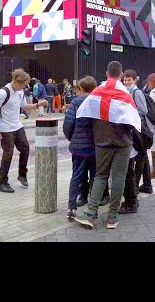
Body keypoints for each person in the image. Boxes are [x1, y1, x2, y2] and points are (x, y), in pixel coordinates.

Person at [73, 61, 141, 230]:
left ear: (106, 73)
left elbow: (83, 113)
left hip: (102, 141)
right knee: (119, 178)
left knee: (100, 176)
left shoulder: (97, 92)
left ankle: (90, 214)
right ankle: (112, 217)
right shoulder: (126, 95)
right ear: (121, 74)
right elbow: (134, 120)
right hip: (123, 142)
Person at [0, 69, 47, 193]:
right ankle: (2, 182)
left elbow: (24, 107)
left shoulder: (20, 91)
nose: (25, 87)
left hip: (17, 126)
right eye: (23, 84)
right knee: (8, 153)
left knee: (25, 148)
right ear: (15, 81)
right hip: (5, 128)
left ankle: (22, 174)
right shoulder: (3, 93)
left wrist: (38, 105)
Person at [63, 76, 98, 220]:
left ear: (81, 89)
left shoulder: (76, 103)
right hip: (95, 147)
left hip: (78, 148)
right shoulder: (98, 102)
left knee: (76, 176)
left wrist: (73, 139)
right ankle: (93, 208)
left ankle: (72, 207)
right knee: (95, 177)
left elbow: (68, 125)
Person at [119, 69, 152, 213]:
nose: (126, 82)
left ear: (135, 80)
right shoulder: (125, 92)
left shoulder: (136, 93)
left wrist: (129, 112)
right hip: (132, 127)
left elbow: (143, 111)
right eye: (125, 80)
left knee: (139, 158)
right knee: (141, 157)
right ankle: (144, 185)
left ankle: (136, 187)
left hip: (138, 128)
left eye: (129, 80)